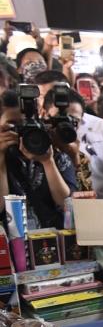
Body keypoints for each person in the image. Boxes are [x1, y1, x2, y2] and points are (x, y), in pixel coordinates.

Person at [39, 81, 103, 200]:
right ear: (44, 114)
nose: (65, 125)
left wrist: (74, 158)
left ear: (82, 119)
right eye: (58, 118)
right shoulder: (35, 140)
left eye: (73, 121)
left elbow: (85, 196)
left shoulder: (81, 153)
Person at [0, 90, 76, 230]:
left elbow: (67, 204)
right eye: (13, 126)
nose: (23, 131)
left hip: (54, 240)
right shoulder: (3, 158)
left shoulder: (57, 156)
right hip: (10, 244)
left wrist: (48, 162)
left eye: (27, 124)